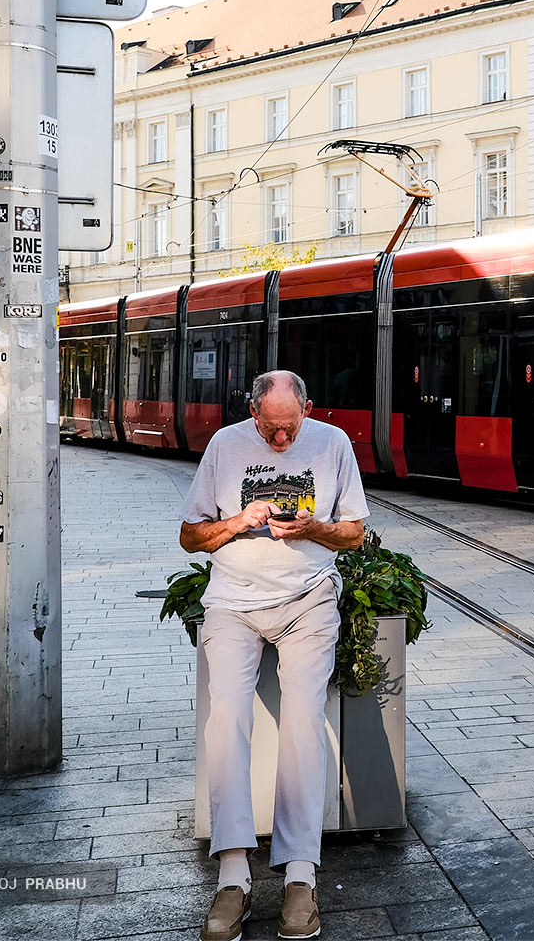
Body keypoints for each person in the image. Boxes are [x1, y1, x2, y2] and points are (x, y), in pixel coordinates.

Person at [180, 370, 367, 941]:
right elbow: (190, 536)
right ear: (253, 413)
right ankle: (233, 873)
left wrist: (316, 529)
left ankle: (300, 875)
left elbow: (355, 534)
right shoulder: (225, 444)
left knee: (304, 721)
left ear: (307, 409)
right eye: (271, 429)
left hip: (308, 599)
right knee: (225, 720)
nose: (282, 440)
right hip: (233, 602)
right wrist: (240, 521)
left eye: (291, 428)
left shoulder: (333, 443)